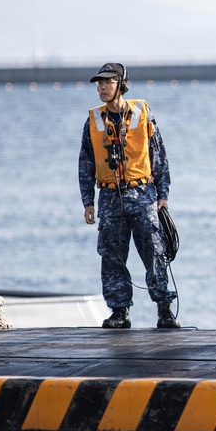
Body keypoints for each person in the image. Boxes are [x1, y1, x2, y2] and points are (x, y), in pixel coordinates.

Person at [78, 62, 181, 330]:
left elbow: (159, 156)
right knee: (112, 257)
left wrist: (163, 196)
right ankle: (120, 312)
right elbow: (86, 163)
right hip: (110, 200)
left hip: (144, 195)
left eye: (108, 82)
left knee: (155, 255)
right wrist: (88, 201)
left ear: (121, 85)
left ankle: (164, 310)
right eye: (99, 83)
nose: (101, 87)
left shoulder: (142, 115)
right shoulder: (93, 120)